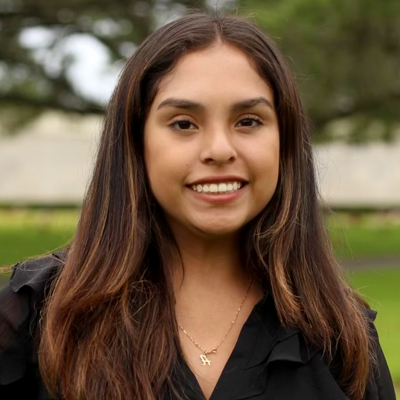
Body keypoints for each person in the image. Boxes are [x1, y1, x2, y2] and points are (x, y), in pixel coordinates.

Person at [0, 11, 396, 400]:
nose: (219, 150)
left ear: (285, 142)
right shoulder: (36, 318)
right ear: (137, 145)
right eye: (184, 123)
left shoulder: (343, 340)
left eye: (248, 121)